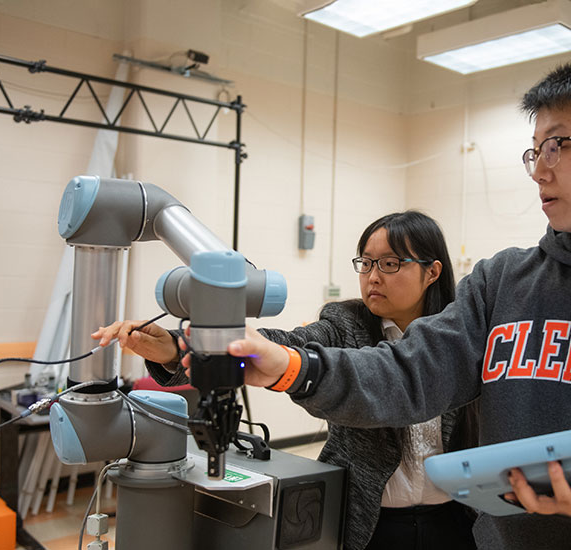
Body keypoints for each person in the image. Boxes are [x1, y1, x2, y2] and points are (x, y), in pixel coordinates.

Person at [223, 54, 571, 549]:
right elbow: (409, 373)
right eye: (535, 150)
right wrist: (292, 366)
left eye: (559, 145)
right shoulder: (503, 281)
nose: (539, 170)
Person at [92, 211, 479, 550]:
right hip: (371, 521)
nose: (373, 277)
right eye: (365, 263)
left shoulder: (461, 336)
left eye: (390, 264)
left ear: (432, 271)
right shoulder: (345, 324)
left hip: (454, 519)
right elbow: (286, 345)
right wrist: (177, 348)